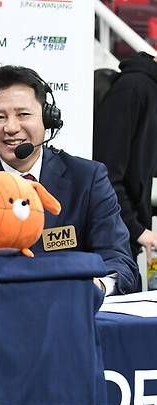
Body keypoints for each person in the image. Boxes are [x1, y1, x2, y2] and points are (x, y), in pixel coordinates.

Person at [0, 64, 139, 295]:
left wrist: (96, 287)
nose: (11, 128)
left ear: (47, 118)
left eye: (23, 114)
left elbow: (119, 261)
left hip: (68, 310)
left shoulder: (87, 178)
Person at [93, 52, 157, 263]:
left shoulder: (148, 88)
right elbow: (105, 173)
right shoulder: (133, 88)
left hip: (127, 238)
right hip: (112, 241)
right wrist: (137, 230)